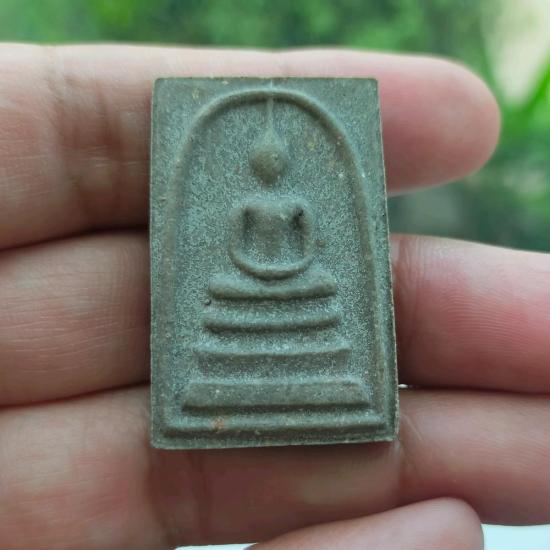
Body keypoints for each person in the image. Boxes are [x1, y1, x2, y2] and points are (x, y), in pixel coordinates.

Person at [2, 44, 545, 550]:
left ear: (281, 164)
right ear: (257, 166)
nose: (270, 167)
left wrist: (287, 269)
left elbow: (308, 249)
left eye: (275, 162)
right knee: (224, 296)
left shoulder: (296, 203)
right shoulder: (243, 205)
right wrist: (255, 270)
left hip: (295, 277)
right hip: (245, 280)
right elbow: (235, 249)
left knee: (320, 291)